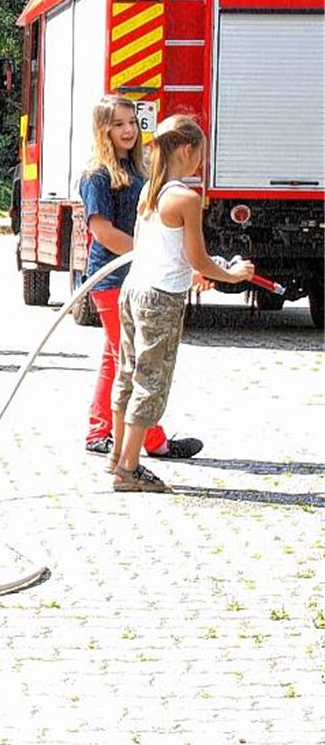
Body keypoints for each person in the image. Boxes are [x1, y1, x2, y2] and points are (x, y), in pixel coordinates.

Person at [111, 116, 254, 492]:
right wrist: (235, 274)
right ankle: (128, 468)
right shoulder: (186, 198)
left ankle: (116, 455)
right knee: (151, 380)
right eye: (200, 154)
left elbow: (161, 252)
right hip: (160, 299)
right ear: (187, 150)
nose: (199, 163)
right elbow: (199, 259)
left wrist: (193, 275)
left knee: (127, 372)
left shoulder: (149, 192)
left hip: (134, 290)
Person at [80, 96, 203, 461]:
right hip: (112, 279)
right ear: (104, 129)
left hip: (136, 276)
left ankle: (99, 430)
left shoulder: (140, 172)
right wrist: (152, 252)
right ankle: (151, 441)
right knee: (135, 364)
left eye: (132, 122)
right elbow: (101, 231)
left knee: (114, 358)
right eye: (118, 124)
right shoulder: (97, 175)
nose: (129, 130)